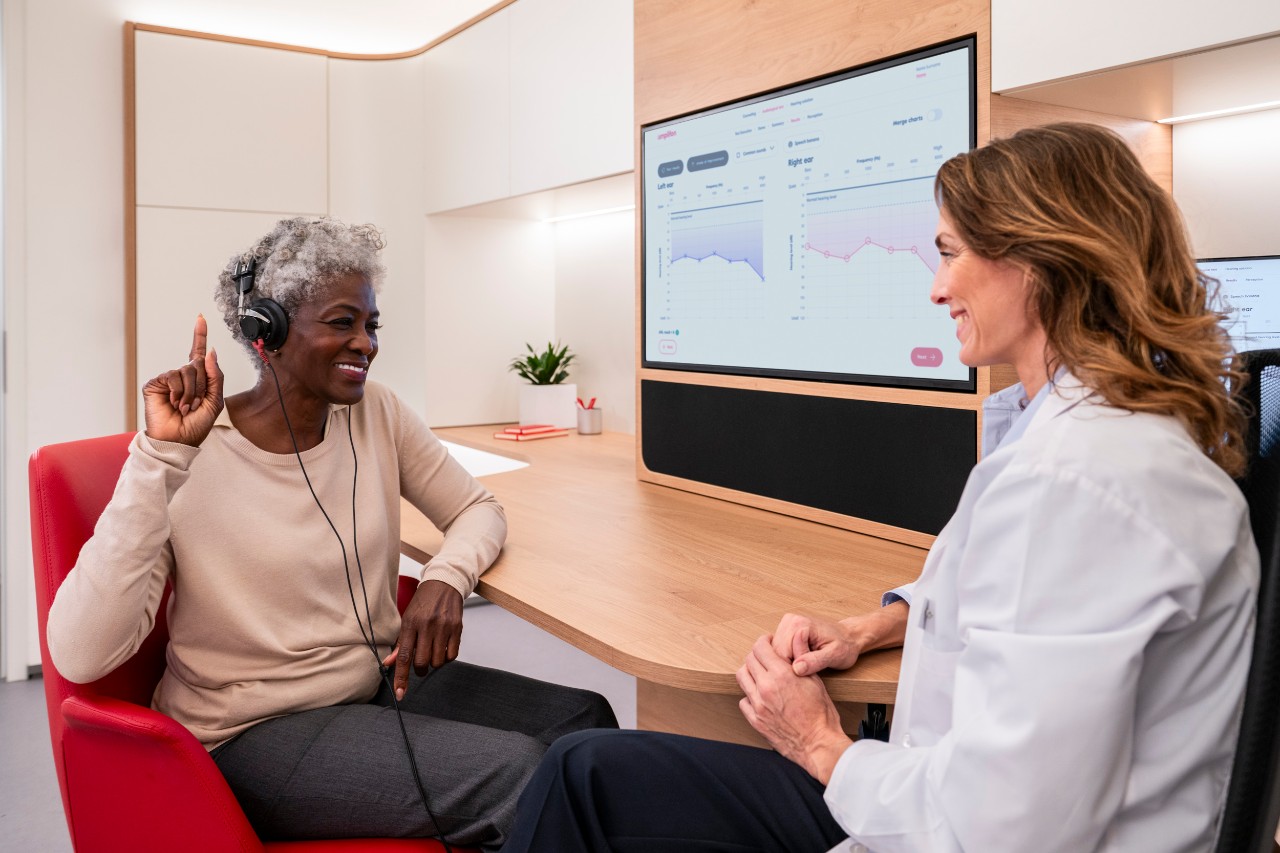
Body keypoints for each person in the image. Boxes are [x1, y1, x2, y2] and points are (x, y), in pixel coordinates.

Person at [500, 123, 1260, 852]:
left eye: (952, 253)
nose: (937, 289)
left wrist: (821, 744)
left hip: (946, 825)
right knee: (591, 769)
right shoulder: (1091, 442)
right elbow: (1018, 601)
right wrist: (872, 625)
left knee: (582, 776)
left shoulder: (1077, 478)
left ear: (1039, 259)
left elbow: (994, 832)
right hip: (934, 798)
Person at [46, 217, 617, 849]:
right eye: (342, 323)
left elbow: (479, 509)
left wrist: (445, 578)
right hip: (253, 732)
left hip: (374, 684)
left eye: (371, 325)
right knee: (520, 778)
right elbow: (81, 653)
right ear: (270, 332)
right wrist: (158, 459)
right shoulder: (187, 457)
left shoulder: (378, 412)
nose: (366, 344)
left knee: (583, 726)